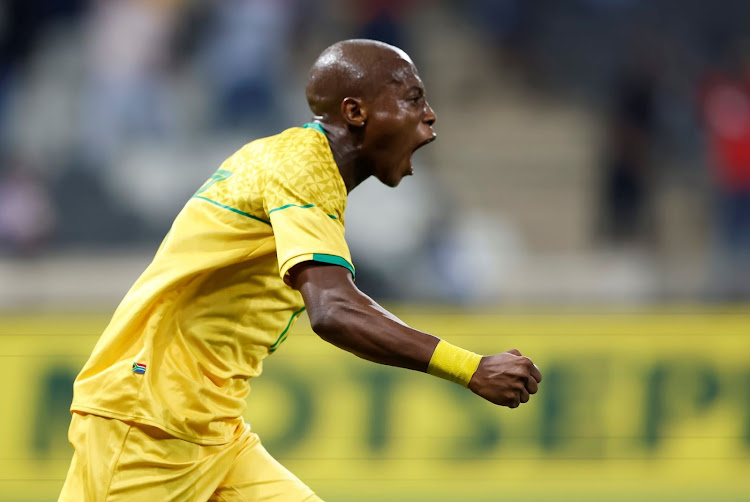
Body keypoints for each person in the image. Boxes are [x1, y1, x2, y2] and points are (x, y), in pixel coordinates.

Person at [58, 39, 542, 502]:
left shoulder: (301, 167)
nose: (430, 115)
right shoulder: (300, 167)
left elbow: (343, 296)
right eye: (413, 98)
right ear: (355, 113)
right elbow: (332, 310)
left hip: (210, 429)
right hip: (145, 422)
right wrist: (469, 368)